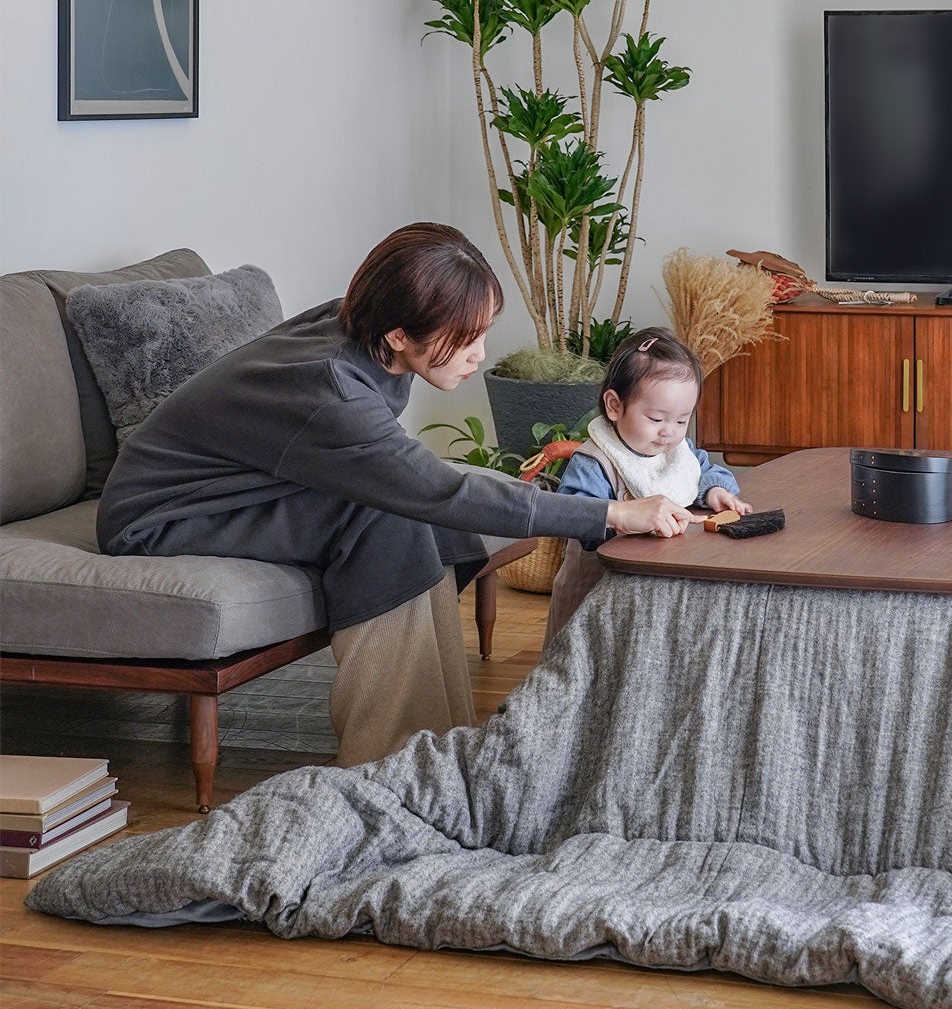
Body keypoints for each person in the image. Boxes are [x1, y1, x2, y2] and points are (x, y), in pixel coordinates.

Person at [96, 223, 686, 765]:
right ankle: (394, 764)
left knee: (400, 511)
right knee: (387, 520)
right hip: (163, 517)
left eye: (482, 332)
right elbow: (441, 491)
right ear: (399, 333)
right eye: (464, 339)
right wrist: (612, 511)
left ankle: (443, 746)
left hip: (248, 487)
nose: (480, 355)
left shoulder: (361, 330)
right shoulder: (333, 391)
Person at [543, 328, 750, 642]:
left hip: (654, 593)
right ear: (614, 405)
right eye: (656, 419)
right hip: (596, 598)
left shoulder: (676, 452)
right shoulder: (596, 461)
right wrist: (625, 520)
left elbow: (704, 469)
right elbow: (573, 517)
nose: (669, 432)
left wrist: (714, 491)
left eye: (682, 420)